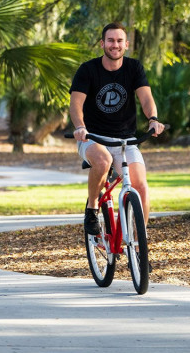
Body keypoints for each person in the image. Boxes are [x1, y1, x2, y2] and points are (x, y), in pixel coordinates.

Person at [69, 22, 165, 236]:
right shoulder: (88, 70)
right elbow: (76, 104)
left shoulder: (134, 68)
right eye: (110, 40)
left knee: (140, 187)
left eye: (119, 41)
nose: (115, 45)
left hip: (125, 139)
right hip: (92, 137)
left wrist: (153, 119)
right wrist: (80, 127)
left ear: (126, 44)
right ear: (102, 43)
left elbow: (146, 98)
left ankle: (137, 246)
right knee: (103, 162)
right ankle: (92, 209)